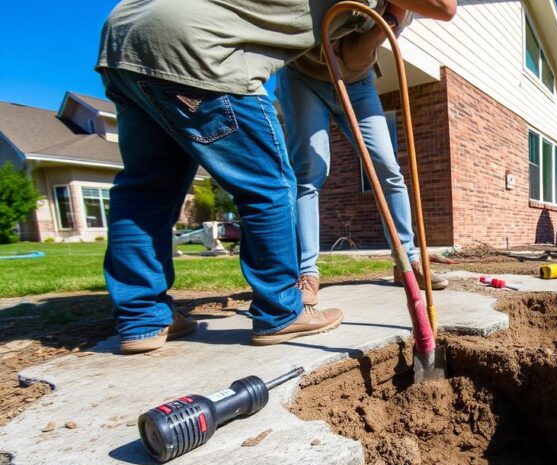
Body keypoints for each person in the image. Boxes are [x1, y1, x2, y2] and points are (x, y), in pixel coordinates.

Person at [95, 0, 398, 353]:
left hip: (124, 35)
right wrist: (395, 13)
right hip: (198, 47)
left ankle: (144, 319)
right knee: (268, 185)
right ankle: (281, 312)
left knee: (146, 190)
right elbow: (444, 7)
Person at [278, 0, 455, 306]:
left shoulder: (404, 7)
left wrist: (391, 18)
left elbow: (354, 55)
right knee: (309, 172)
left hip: (357, 82)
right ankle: (307, 272)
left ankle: (406, 262)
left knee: (388, 168)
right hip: (302, 76)